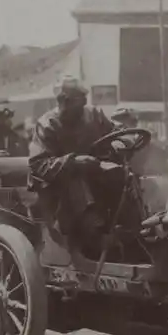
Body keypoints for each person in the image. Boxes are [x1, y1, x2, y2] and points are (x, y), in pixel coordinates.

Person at [28, 76, 121, 250]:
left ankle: (131, 229)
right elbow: (38, 164)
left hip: (95, 179)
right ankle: (94, 233)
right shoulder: (47, 125)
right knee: (76, 179)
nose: (83, 105)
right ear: (63, 101)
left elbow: (117, 132)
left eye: (84, 100)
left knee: (124, 175)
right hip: (58, 191)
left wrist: (121, 143)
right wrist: (74, 162)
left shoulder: (94, 116)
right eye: (78, 101)